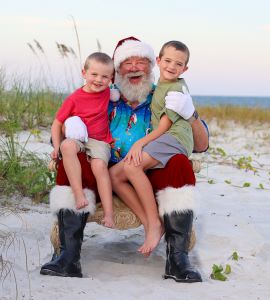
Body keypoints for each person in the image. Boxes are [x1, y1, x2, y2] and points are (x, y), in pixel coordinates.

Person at [40, 37, 209, 283]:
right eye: (127, 62)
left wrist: (191, 114)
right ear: (115, 72)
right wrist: (70, 126)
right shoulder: (102, 95)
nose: (135, 67)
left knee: (179, 163)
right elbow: (65, 128)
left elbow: (202, 145)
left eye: (142, 61)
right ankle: (68, 257)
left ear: (152, 66)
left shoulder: (164, 94)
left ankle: (178, 260)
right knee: (73, 156)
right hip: (102, 172)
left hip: (148, 174)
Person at [121, 40, 195, 256]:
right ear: (158, 61)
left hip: (175, 138)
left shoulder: (176, 89)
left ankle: (154, 224)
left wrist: (139, 143)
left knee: (132, 168)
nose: (172, 66)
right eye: (168, 61)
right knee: (115, 175)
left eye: (178, 64)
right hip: (165, 139)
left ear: (185, 69)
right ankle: (150, 222)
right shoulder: (159, 87)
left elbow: (165, 126)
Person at [51, 52, 115, 228]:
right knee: (67, 146)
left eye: (104, 76)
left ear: (111, 79)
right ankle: (79, 195)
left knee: (99, 166)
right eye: (94, 74)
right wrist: (56, 148)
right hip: (79, 138)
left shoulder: (108, 92)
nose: (98, 80)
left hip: (99, 140)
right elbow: (57, 123)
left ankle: (109, 214)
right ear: (84, 73)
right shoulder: (74, 98)